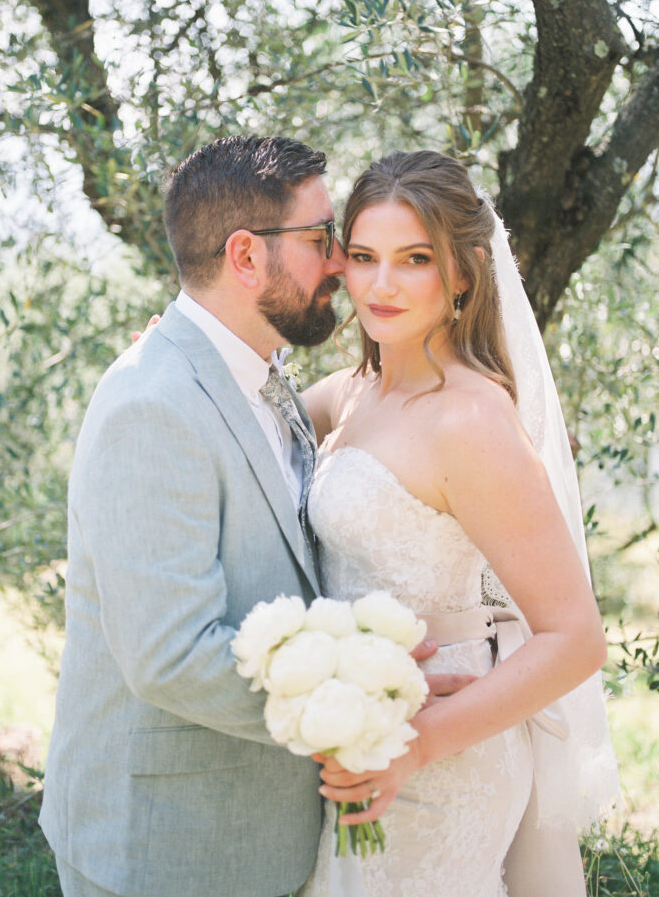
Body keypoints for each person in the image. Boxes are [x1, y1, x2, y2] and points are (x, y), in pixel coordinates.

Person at [39, 136, 462, 897]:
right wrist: (359, 706)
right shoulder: (152, 406)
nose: (341, 262)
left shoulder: (257, 374)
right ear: (244, 256)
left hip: (259, 835)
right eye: (321, 238)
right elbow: (171, 656)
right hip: (167, 850)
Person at [295, 150, 618, 897]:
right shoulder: (354, 391)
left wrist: (414, 747)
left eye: (414, 259)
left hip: (440, 755)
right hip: (352, 730)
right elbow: (246, 424)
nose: (381, 285)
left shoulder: (470, 420)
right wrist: (186, 362)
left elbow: (576, 638)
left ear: (464, 273)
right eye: (365, 257)